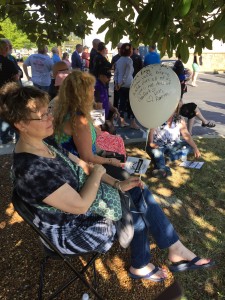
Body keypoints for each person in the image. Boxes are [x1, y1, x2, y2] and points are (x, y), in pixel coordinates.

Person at [0, 82, 214, 282]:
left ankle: (171, 250)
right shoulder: (31, 169)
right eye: (43, 115)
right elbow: (81, 203)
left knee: (136, 189)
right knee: (135, 205)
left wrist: (117, 183)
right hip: (74, 231)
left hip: (77, 207)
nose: (50, 118)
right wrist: (99, 171)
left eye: (49, 111)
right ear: (21, 124)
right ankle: (150, 260)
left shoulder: (43, 143)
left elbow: (81, 164)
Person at [146, 111, 201, 178]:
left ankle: (167, 159)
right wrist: (151, 143)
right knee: (157, 152)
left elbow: (186, 134)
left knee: (190, 146)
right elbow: (151, 132)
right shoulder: (158, 116)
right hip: (158, 145)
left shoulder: (179, 118)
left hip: (174, 144)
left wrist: (195, 147)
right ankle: (162, 169)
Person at [114, 43, 140, 129]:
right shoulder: (129, 60)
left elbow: (116, 73)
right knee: (131, 104)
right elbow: (127, 73)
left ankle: (122, 121)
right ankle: (133, 122)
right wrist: (122, 82)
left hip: (120, 85)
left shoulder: (118, 60)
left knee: (122, 103)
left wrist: (117, 83)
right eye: (131, 49)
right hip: (128, 84)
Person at [0, 38, 19, 144]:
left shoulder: (10, 60)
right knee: (10, 114)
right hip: (7, 93)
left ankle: (4, 136)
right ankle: (9, 135)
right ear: (5, 49)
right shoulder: (8, 62)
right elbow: (16, 77)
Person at [94, 68, 119, 134]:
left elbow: (106, 100)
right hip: (99, 120)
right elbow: (97, 106)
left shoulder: (104, 84)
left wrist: (113, 109)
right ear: (100, 76)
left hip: (104, 118)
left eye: (110, 76)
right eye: (108, 77)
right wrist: (103, 124)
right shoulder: (97, 86)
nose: (110, 78)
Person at [111, 42, 122, 109]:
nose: (119, 49)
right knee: (116, 96)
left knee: (124, 96)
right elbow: (111, 67)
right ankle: (115, 109)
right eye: (118, 48)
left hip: (124, 79)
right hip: (117, 79)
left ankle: (123, 111)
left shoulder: (126, 57)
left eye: (121, 48)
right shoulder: (115, 58)